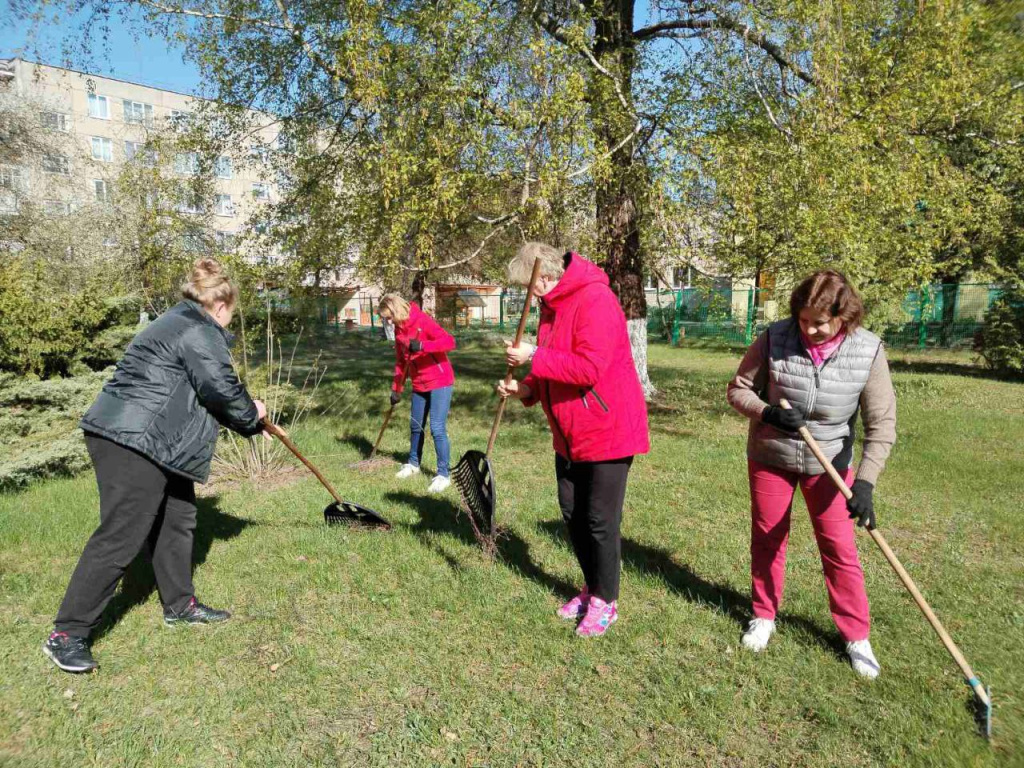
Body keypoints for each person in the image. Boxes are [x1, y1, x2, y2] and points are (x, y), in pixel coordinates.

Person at [42, 258, 270, 674]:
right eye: (232, 312)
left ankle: (179, 606)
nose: (230, 319)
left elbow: (195, 390)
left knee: (177, 518)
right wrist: (251, 416)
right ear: (221, 305)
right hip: (134, 439)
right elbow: (218, 387)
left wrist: (247, 420)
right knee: (122, 534)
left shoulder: (179, 319)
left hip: (155, 439)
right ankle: (67, 633)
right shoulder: (201, 330)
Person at [727, 270, 897, 678]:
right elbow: (738, 389)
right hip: (772, 454)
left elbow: (882, 424)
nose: (810, 330)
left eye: (820, 322)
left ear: (844, 316)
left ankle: (856, 635)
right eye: (804, 320)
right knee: (768, 537)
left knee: (839, 548)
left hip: (830, 466)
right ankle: (764, 615)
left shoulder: (867, 350)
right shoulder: (775, 337)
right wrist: (768, 412)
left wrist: (866, 482)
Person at [499, 242, 649, 637]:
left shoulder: (595, 299)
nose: (529, 295)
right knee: (572, 513)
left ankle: (606, 601)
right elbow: (553, 361)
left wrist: (532, 354)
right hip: (568, 432)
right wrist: (527, 390)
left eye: (530, 286)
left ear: (545, 277)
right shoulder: (553, 306)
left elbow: (587, 368)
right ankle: (591, 587)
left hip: (607, 428)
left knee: (599, 520)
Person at [378, 294, 456, 493]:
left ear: (396, 311)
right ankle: (413, 464)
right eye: (385, 318)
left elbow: (449, 342)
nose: (387, 321)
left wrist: (423, 346)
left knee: (437, 428)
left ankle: (443, 475)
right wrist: (396, 389)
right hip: (419, 383)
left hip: (440, 380)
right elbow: (400, 362)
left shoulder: (422, 321)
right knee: (415, 425)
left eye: (389, 317)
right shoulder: (398, 330)